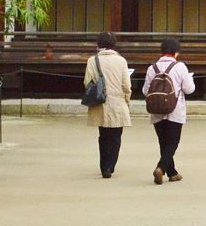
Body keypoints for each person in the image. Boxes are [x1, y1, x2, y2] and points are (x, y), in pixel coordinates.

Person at [144, 37, 197, 184]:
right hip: (174, 109)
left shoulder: (152, 68)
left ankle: (172, 173)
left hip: (156, 110)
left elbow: (145, 90)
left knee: (163, 142)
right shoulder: (180, 67)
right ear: (176, 52)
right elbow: (189, 89)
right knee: (173, 143)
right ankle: (161, 168)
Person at [83, 33, 133, 179]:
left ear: (98, 44)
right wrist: (127, 100)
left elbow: (88, 82)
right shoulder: (121, 61)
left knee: (103, 135)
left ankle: (104, 165)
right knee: (116, 136)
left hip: (100, 102)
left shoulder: (92, 60)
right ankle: (111, 166)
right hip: (118, 102)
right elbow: (126, 85)